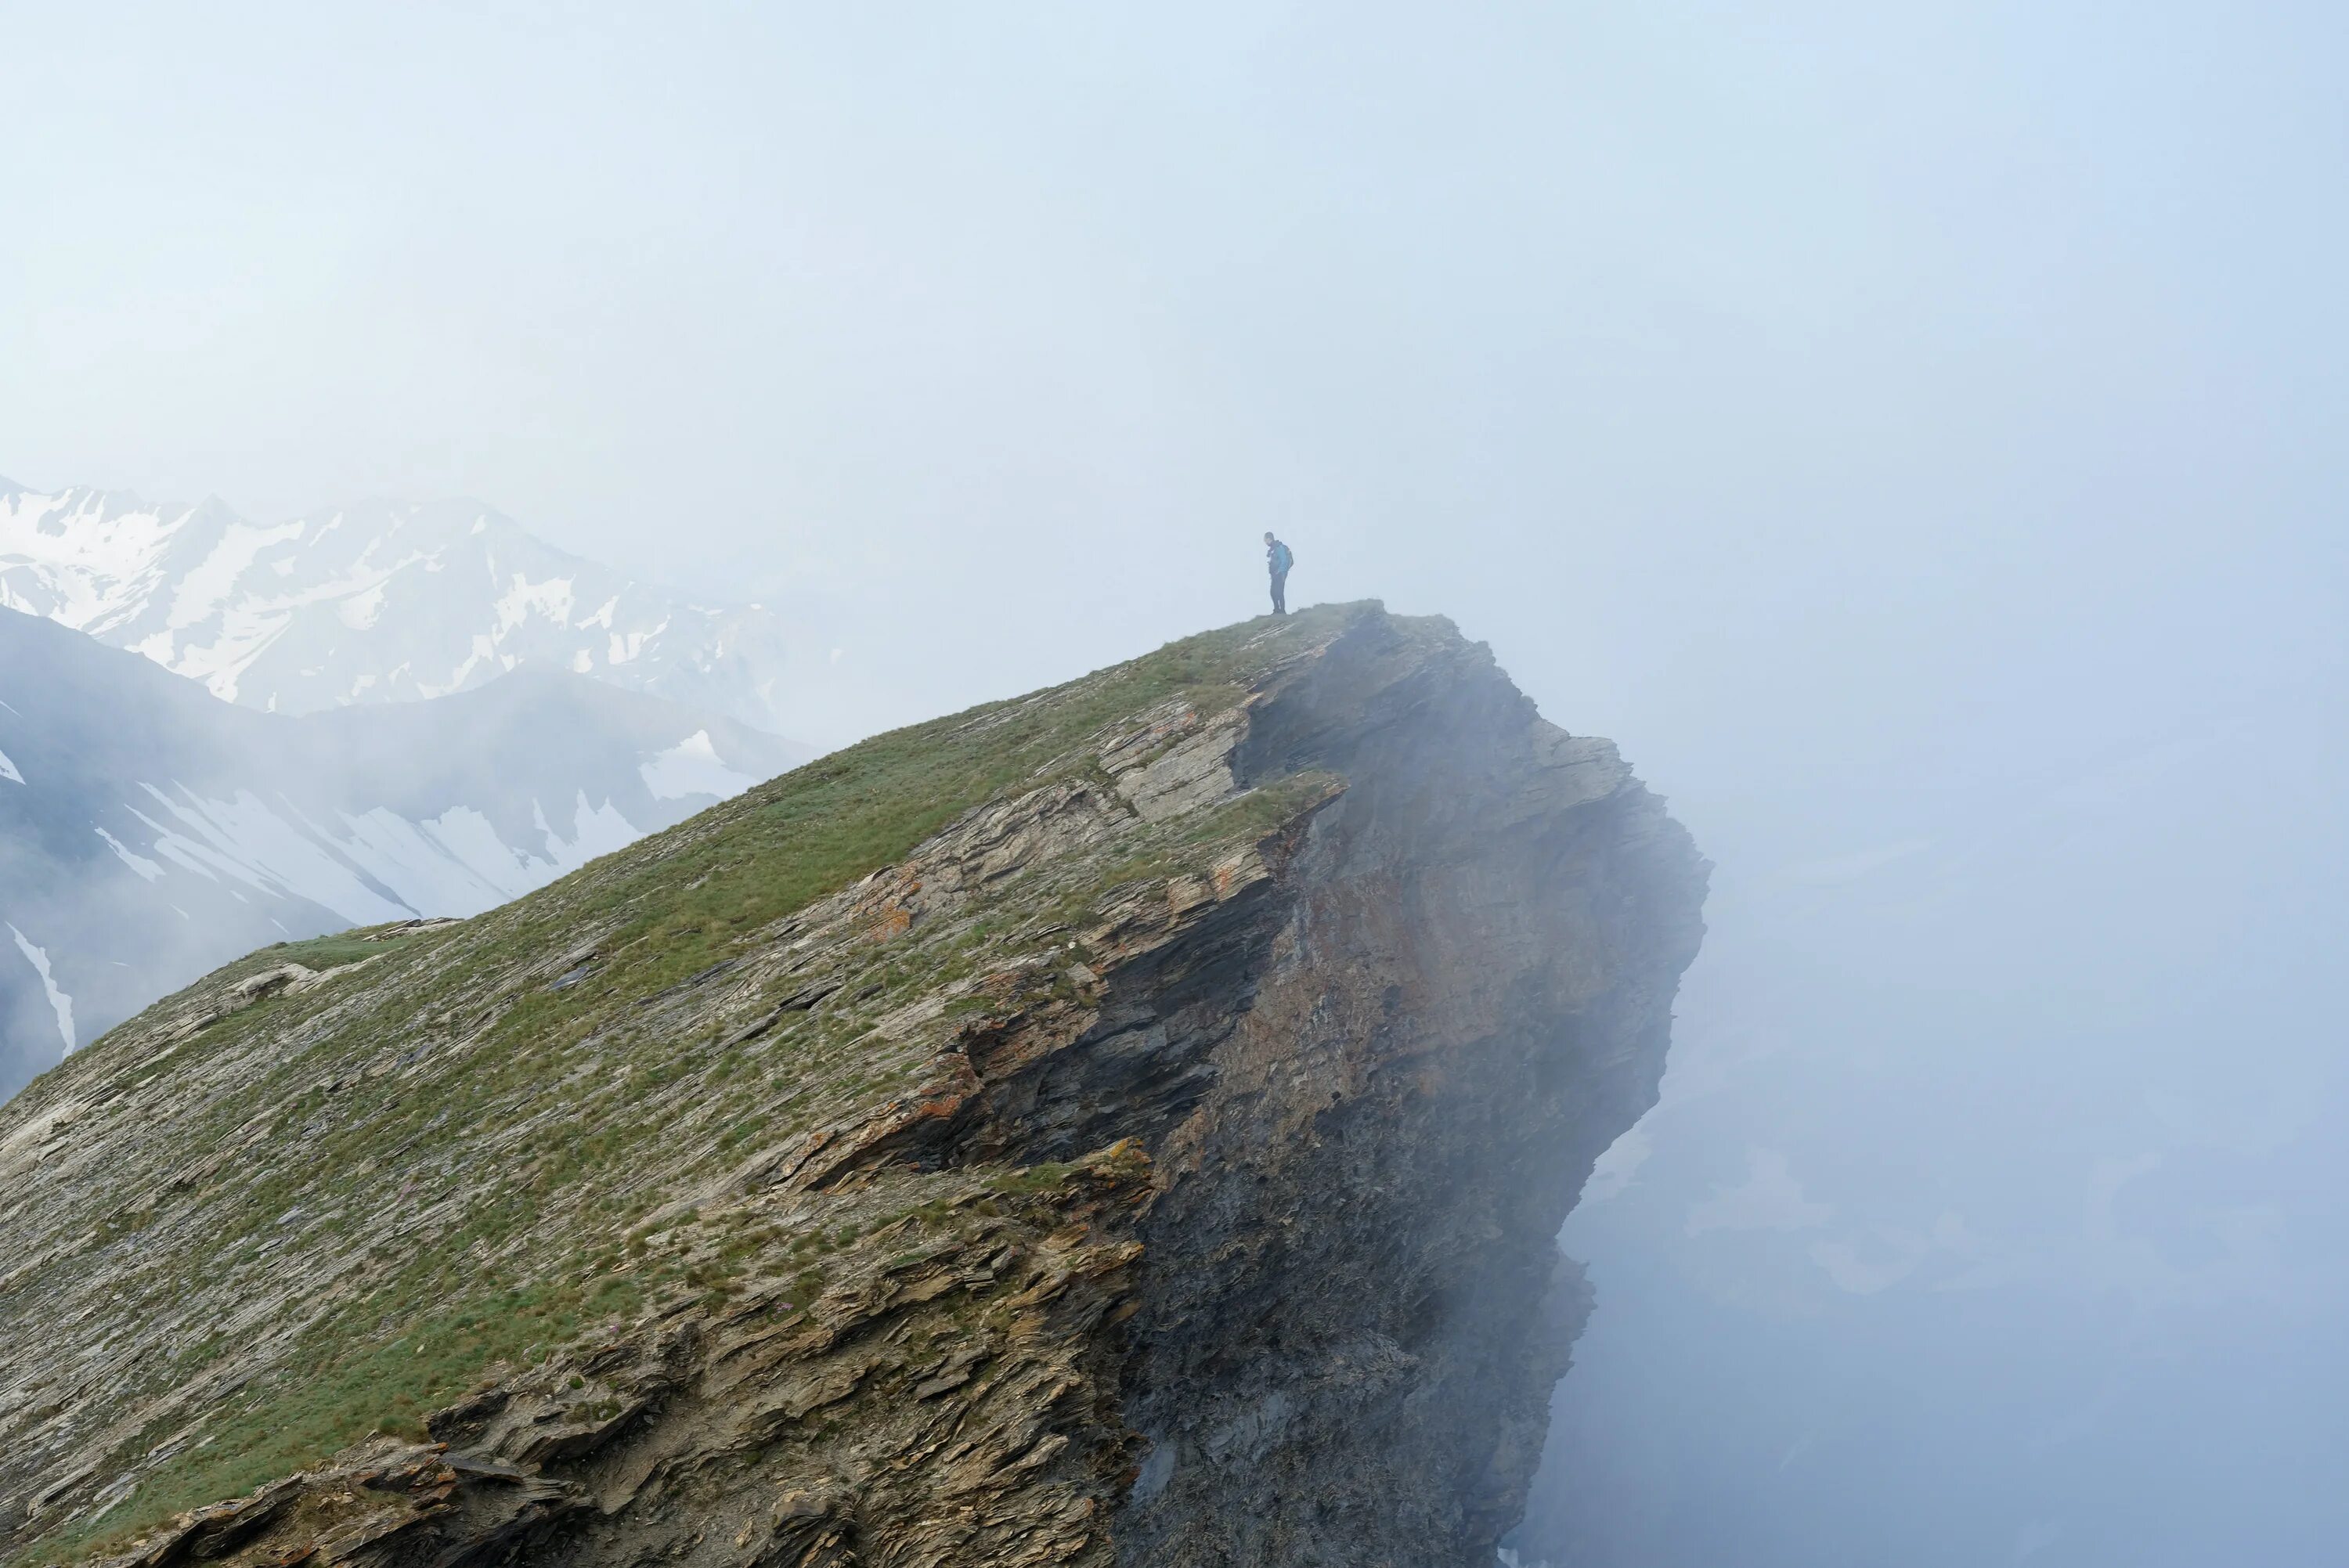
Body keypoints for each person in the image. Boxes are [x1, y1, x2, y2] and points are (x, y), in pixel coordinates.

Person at [1264, 532, 1294, 615]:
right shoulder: (1273, 549)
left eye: (1265, 540)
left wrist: (1280, 571)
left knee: (1279, 592)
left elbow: (1284, 560)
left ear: (1269, 539)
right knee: (1273, 592)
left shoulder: (1279, 547)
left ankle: (1281, 611)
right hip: (1275, 574)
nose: (1265, 542)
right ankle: (1277, 610)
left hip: (1280, 574)